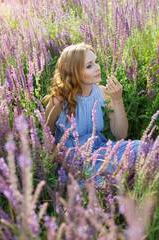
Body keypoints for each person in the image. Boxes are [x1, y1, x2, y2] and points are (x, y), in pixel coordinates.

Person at [44, 42, 140, 184]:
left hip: (100, 150)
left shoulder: (103, 93)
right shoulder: (58, 101)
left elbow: (121, 134)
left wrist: (117, 99)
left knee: (147, 148)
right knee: (104, 179)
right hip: (73, 160)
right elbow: (47, 136)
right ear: (74, 73)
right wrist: (63, 164)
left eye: (96, 62)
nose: (97, 68)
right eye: (89, 66)